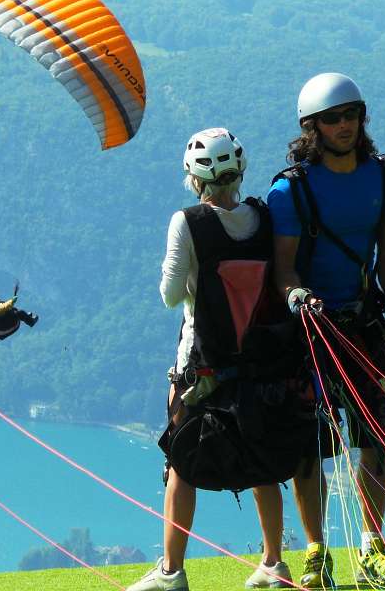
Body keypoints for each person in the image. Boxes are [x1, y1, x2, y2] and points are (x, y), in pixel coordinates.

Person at [129, 127, 295, 591]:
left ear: (194, 178)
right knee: (262, 460)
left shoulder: (188, 222)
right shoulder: (264, 217)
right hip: (259, 361)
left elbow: (169, 295)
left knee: (181, 461)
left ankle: (171, 572)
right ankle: (273, 563)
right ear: (240, 169)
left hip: (200, 364)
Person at [267, 72, 385, 587]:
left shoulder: (382, 176)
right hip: (310, 329)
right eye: (332, 118)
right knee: (310, 443)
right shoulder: (290, 190)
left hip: (366, 322)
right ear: (312, 127)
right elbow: (283, 267)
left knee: (377, 434)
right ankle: (316, 551)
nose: (345, 124)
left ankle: (373, 546)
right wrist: (296, 296)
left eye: (353, 114)